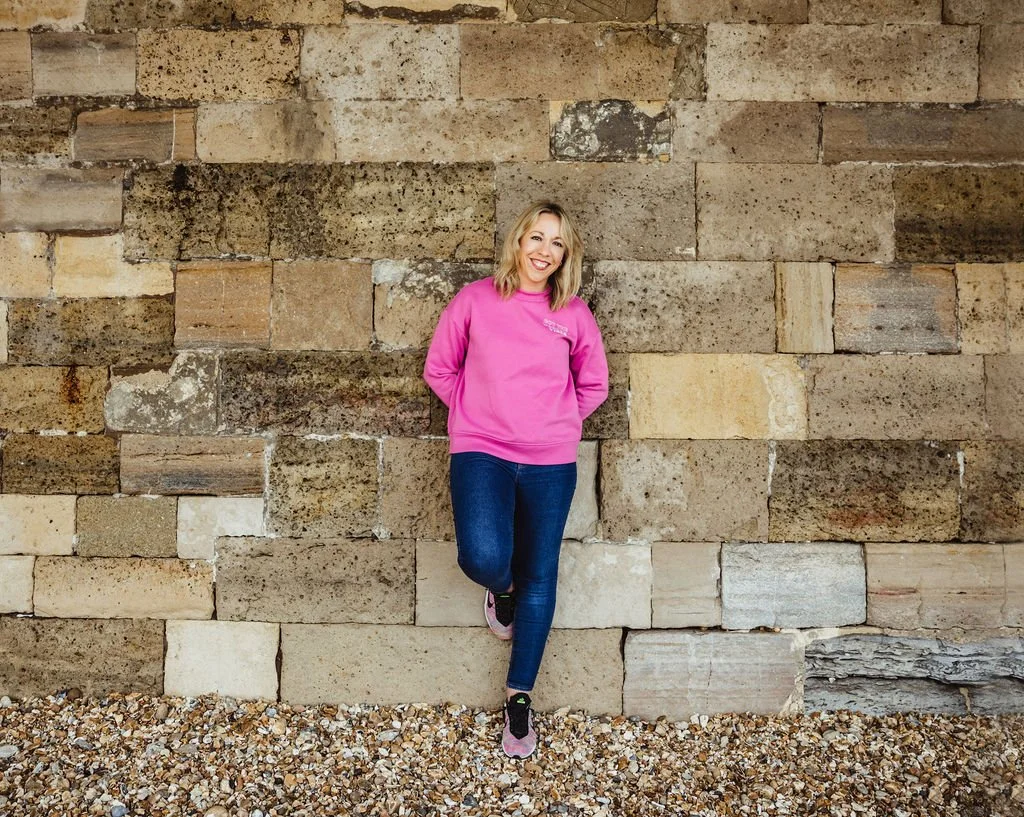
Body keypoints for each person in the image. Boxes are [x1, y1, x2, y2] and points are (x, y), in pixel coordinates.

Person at [423, 201, 609, 759]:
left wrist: (557, 422)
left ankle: (519, 698)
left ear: (565, 255)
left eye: (556, 243)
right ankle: (498, 590)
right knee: (482, 555)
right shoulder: (475, 300)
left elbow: (593, 385)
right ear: (517, 242)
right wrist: (476, 412)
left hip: (550, 461)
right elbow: (440, 368)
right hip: (482, 451)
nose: (543, 251)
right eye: (536, 237)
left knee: (541, 574)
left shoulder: (572, 313)